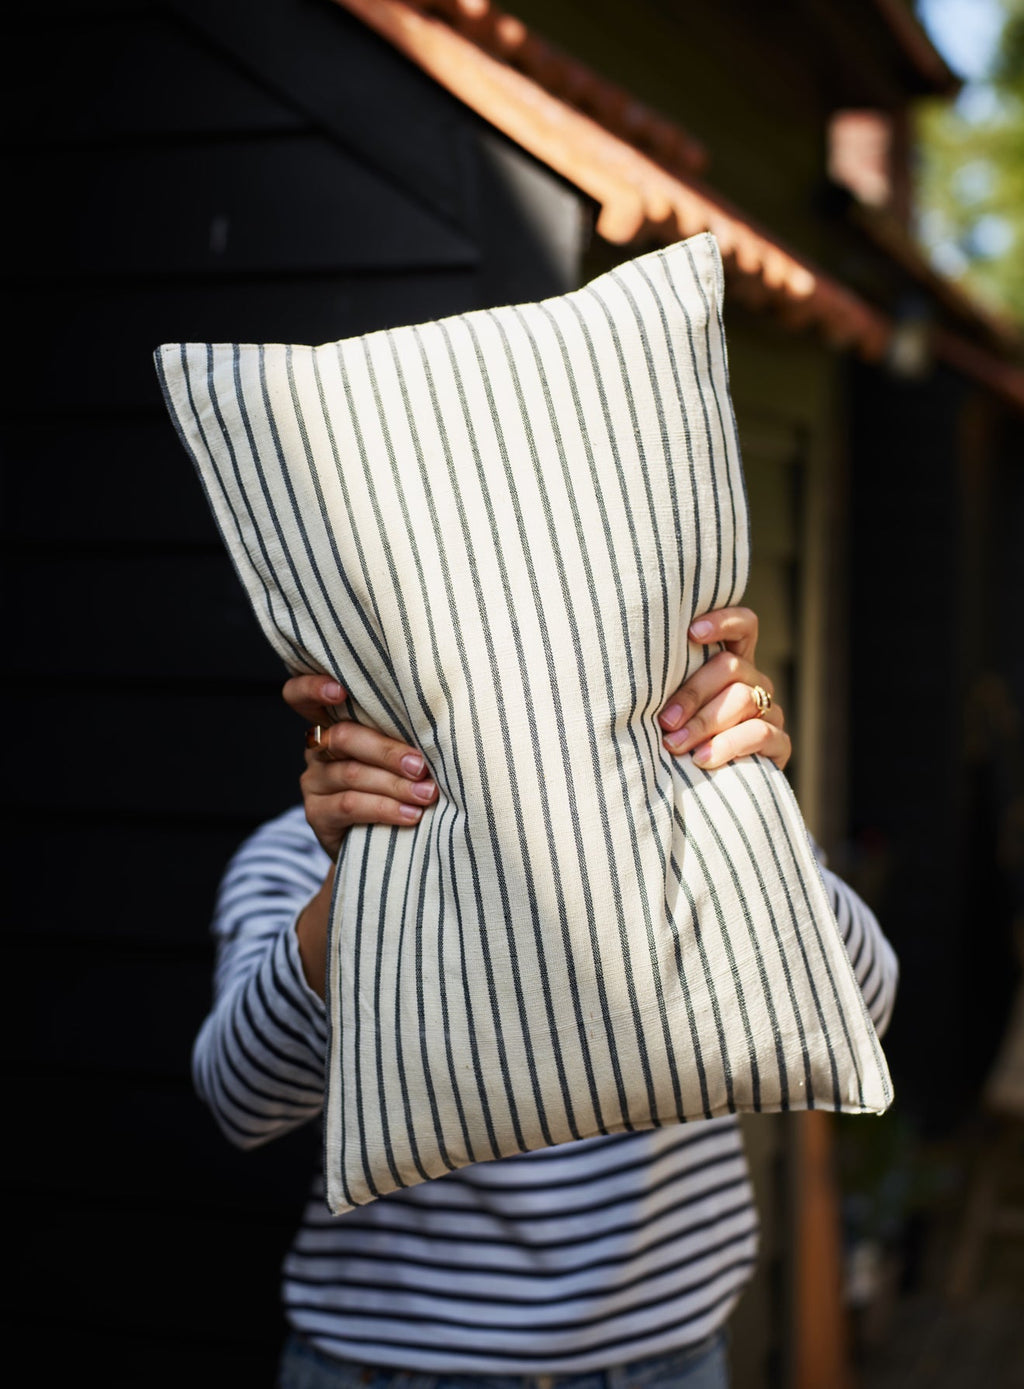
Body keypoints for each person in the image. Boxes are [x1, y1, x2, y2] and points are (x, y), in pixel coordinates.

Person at [192, 606, 897, 1389]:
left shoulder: (690, 805)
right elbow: (240, 1099)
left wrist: (745, 801)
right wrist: (360, 882)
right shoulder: (304, 850)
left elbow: (862, 1003)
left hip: (671, 1356)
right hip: (397, 1362)